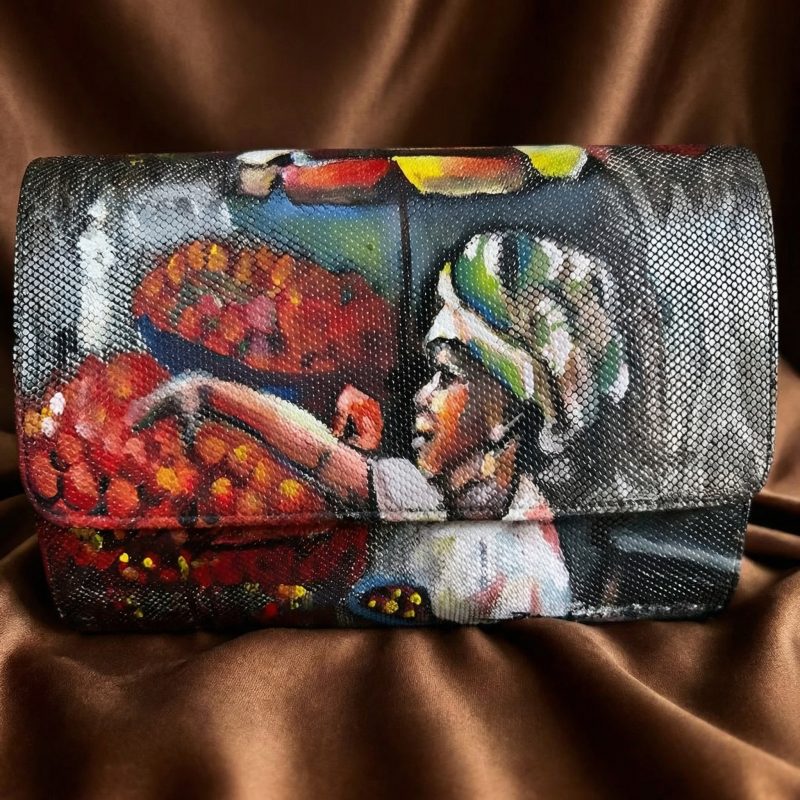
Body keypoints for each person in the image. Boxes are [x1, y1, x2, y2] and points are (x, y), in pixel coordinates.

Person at [131, 230, 629, 623]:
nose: (422, 395)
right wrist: (208, 393)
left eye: (447, 377)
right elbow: (321, 454)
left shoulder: (531, 574)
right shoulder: (430, 496)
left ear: (509, 416)